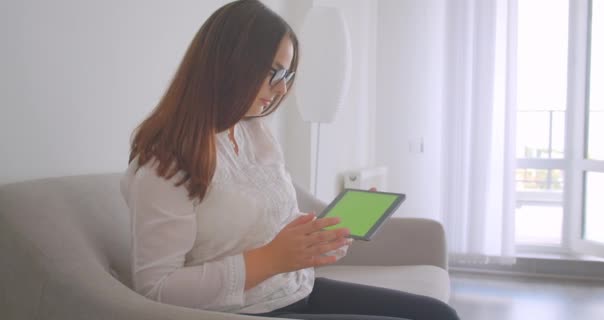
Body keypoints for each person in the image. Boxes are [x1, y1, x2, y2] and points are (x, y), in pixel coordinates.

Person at [120, 1, 460, 319]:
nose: (282, 90)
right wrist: (270, 259)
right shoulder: (165, 163)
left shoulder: (254, 133)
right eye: (274, 73)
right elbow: (156, 290)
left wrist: (321, 235)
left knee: (436, 314)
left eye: (287, 76)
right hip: (249, 310)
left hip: (295, 291)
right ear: (230, 63)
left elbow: (277, 217)